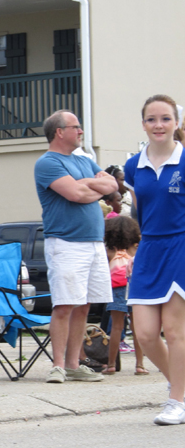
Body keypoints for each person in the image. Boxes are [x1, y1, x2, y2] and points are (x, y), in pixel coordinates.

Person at [34, 110, 116, 384]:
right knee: (65, 304)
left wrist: (89, 184)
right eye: (76, 127)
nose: (81, 131)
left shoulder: (84, 160)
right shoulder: (47, 163)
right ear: (59, 132)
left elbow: (112, 184)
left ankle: (73, 363)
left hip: (93, 243)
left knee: (84, 306)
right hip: (66, 243)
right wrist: (93, 187)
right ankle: (57, 365)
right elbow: (76, 194)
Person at [124, 94, 185, 424]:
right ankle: (181, 386)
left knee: (175, 332)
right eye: (152, 119)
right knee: (146, 335)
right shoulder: (134, 166)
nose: (158, 125)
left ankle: (176, 401)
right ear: (144, 124)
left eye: (165, 118)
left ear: (176, 122)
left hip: (181, 247)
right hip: (149, 250)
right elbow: (140, 212)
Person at [102, 216, 146, 375]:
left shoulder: (110, 251)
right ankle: (140, 365)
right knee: (137, 328)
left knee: (116, 327)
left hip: (116, 291)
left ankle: (111, 364)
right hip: (134, 288)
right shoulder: (134, 249)